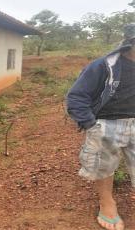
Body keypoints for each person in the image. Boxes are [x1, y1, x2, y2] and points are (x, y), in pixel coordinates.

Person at [66, 23, 135, 230]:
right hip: (107, 123)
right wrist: (91, 124)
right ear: (131, 42)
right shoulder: (104, 65)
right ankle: (107, 203)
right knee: (104, 165)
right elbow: (77, 96)